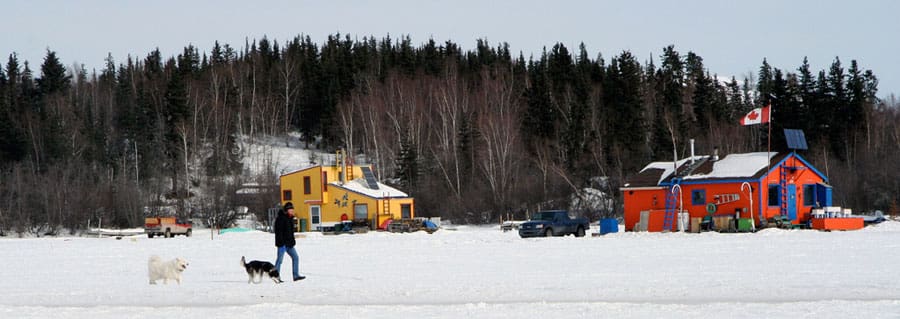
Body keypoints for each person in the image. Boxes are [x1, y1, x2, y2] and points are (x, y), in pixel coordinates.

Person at [274, 202, 305, 281]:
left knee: (296, 257)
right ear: (286, 210)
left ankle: (296, 276)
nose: (292, 211)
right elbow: (278, 232)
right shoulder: (281, 218)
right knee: (279, 260)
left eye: (292, 209)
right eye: (290, 209)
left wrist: (293, 241)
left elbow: (291, 232)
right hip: (282, 244)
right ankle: (275, 276)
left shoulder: (290, 218)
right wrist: (281, 242)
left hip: (289, 244)